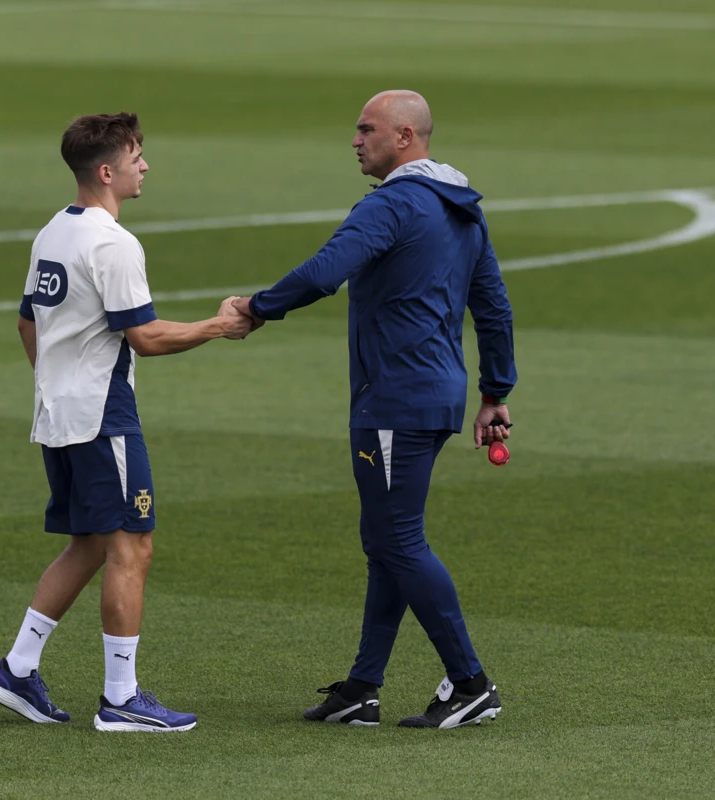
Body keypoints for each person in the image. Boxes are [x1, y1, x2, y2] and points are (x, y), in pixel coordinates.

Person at [229, 91, 517, 729]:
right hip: (437, 397)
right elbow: (492, 305)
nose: (355, 141)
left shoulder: (394, 204)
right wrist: (495, 393)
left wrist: (257, 308)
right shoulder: (463, 210)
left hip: (395, 400)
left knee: (397, 540)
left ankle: (471, 683)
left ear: (405, 137)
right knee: (386, 541)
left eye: (367, 130)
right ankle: (363, 687)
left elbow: (329, 268)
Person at [0, 112, 253, 733]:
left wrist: (56, 382)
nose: (145, 166)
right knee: (132, 544)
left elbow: (27, 323)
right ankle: (121, 699)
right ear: (107, 171)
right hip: (103, 417)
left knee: (91, 543)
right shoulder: (113, 243)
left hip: (57, 412)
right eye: (136, 156)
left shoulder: (55, 231)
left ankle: (17, 669)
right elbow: (146, 337)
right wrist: (219, 326)